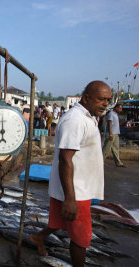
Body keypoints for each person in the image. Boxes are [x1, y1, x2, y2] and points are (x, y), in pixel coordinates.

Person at [30, 81, 112, 267]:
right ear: (86, 98)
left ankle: (37, 237)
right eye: (101, 99)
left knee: (60, 220)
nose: (106, 103)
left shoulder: (88, 116)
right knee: (81, 239)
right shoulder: (75, 120)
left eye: (108, 99)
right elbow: (65, 159)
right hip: (75, 189)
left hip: (75, 186)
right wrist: (70, 198)